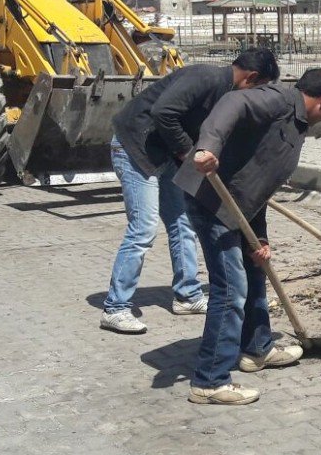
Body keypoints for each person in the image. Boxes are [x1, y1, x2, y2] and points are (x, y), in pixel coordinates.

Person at [175, 68, 321, 405]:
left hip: (240, 207)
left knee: (255, 271)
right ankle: (210, 380)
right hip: (212, 200)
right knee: (230, 290)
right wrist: (208, 147)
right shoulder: (280, 99)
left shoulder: (296, 124)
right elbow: (231, 104)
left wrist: (260, 239)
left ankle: (256, 349)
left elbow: (259, 185)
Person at [100, 48, 280, 335]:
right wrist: (187, 151)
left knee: (182, 222)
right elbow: (163, 112)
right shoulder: (204, 77)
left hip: (165, 154)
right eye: (260, 89)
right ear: (252, 78)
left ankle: (188, 295)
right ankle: (115, 307)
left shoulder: (226, 95)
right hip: (135, 148)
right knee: (143, 228)